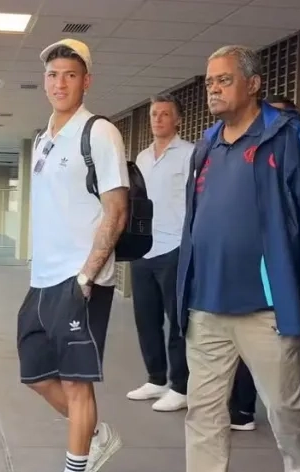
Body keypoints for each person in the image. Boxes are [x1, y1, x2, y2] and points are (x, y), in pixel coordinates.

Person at [177, 45, 300, 472]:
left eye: (224, 80)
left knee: (286, 410)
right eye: (210, 81)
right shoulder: (207, 145)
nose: (213, 89)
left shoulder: (288, 137)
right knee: (203, 412)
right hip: (206, 305)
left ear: (253, 85)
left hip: (266, 309)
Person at [18, 38, 127, 472]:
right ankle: (97, 435)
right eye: (52, 75)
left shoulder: (98, 131)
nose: (59, 83)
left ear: (86, 81)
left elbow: (116, 208)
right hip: (43, 279)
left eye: (69, 74)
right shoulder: (44, 138)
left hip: (80, 278)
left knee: (75, 381)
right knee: (37, 375)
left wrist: (88, 273)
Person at [227, 94, 300, 431]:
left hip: (295, 272)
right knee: (247, 342)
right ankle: (242, 409)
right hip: (258, 274)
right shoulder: (251, 155)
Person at [126, 94, 193, 412]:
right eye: (154, 114)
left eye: (165, 114)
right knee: (146, 319)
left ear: (177, 119)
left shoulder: (189, 154)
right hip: (144, 248)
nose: (158, 119)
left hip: (175, 248)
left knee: (177, 321)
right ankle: (156, 378)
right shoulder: (141, 157)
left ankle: (181, 386)